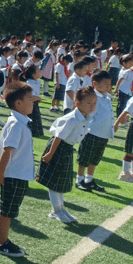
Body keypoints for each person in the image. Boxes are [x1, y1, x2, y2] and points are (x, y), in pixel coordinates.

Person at [37, 86, 97, 224]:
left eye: (94, 103)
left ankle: (60, 209)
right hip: (58, 148)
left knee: (61, 182)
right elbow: (59, 137)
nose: (92, 106)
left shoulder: (85, 117)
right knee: (54, 183)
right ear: (77, 103)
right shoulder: (72, 119)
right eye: (88, 103)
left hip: (67, 149)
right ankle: (56, 210)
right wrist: (50, 154)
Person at [0, 82, 36, 258]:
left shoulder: (21, 122)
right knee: (6, 209)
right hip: (13, 175)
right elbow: (7, 150)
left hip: (19, 174)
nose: (33, 102)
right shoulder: (16, 124)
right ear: (18, 103)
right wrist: (0, 173)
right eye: (30, 99)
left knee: (10, 209)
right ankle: (2, 243)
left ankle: (5, 241)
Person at [76, 70, 115, 192]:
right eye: (105, 84)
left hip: (103, 135)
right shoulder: (95, 98)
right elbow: (89, 116)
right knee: (84, 158)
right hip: (92, 133)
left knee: (95, 158)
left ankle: (89, 179)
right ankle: (79, 179)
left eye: (109, 84)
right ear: (95, 84)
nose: (108, 87)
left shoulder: (107, 97)